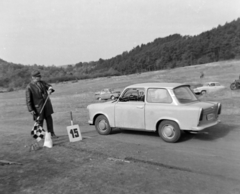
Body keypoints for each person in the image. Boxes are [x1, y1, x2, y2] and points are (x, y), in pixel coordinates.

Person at [26, 70, 58, 138]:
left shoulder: (43, 83)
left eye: (39, 76)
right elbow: (28, 100)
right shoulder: (29, 86)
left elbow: (49, 86)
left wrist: (50, 89)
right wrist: (30, 109)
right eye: (37, 76)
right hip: (38, 107)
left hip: (46, 105)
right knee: (39, 121)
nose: (39, 77)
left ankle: (51, 133)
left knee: (49, 119)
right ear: (33, 77)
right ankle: (39, 136)